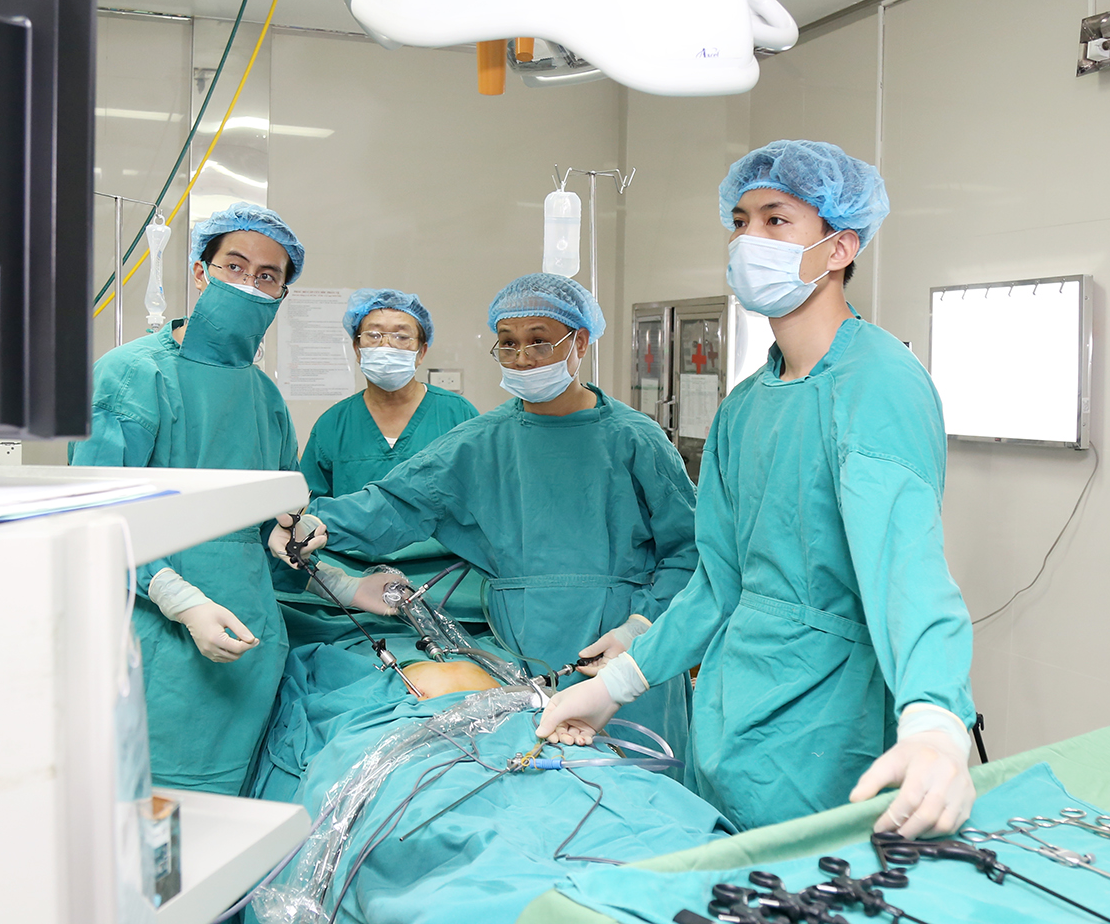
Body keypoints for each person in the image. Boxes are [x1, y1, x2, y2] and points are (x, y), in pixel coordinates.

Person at [536, 140, 978, 839]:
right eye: (740, 222)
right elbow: (718, 584)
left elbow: (908, 573)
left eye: (777, 221)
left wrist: (935, 719)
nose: (749, 240)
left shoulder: (878, 384)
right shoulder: (745, 405)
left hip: (826, 722)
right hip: (729, 710)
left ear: (840, 247)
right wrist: (613, 687)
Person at [269, 273, 696, 757]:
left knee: (643, 777)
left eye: (539, 342)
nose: (522, 358)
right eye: (508, 343)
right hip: (525, 647)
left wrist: (640, 627)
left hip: (626, 654)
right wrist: (318, 523)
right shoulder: (480, 442)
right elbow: (395, 502)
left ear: (580, 342)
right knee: (539, 776)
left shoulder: (636, 439)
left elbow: (689, 551)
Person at [69, 201, 307, 796]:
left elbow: (275, 518)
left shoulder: (265, 397)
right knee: (147, 815)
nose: (249, 284)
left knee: (229, 820)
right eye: (234, 266)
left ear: (281, 293)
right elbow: (96, 519)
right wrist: (180, 599)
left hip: (249, 642)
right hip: (155, 645)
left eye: (267, 276)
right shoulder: (132, 374)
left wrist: (297, 538)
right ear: (200, 271)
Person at [282, 290, 483, 647]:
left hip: (447, 580)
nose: (386, 345)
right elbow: (306, 512)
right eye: (374, 335)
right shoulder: (334, 424)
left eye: (402, 336)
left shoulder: (457, 415)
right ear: (357, 348)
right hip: (351, 580)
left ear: (421, 350)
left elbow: (484, 505)